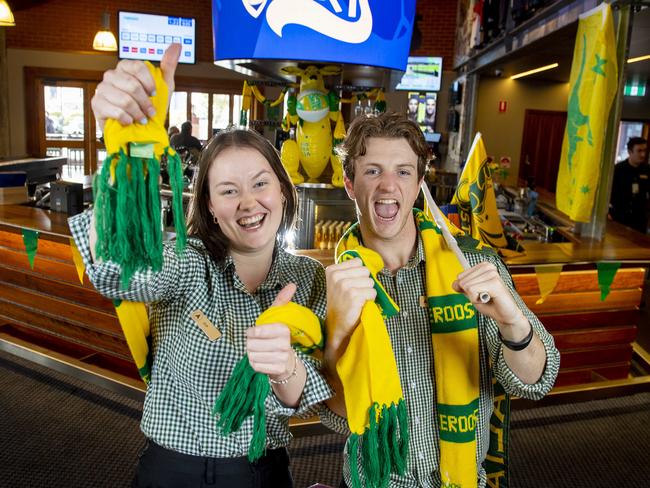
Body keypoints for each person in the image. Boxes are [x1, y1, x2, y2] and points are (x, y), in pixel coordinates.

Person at [73, 44, 331, 487]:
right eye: (228, 190)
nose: (248, 202)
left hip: (261, 471)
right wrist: (126, 152)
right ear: (210, 207)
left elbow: (303, 398)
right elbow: (117, 269)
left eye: (260, 184)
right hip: (173, 469)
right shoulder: (188, 262)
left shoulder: (307, 279)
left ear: (283, 192)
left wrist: (283, 365)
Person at [320, 112, 560, 487]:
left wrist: (513, 322)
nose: (388, 186)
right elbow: (338, 416)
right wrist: (338, 337)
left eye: (402, 172)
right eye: (372, 171)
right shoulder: (333, 286)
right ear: (350, 184)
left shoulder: (473, 262)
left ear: (418, 186)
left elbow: (533, 382)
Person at [609, 136, 649, 233]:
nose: (643, 154)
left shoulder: (647, 170)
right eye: (639, 151)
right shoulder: (617, 170)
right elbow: (607, 193)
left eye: (644, 150)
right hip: (619, 218)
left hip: (639, 220)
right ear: (630, 152)